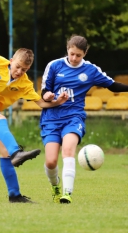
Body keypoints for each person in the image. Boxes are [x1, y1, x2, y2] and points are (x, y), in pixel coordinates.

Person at [0, 40, 69, 203]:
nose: (19, 71)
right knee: (0, 118)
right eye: (17, 66)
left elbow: (41, 103)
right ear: (11, 61)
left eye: (24, 69)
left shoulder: (25, 84)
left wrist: (59, 102)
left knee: (4, 152)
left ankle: (15, 195)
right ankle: (16, 152)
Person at [40, 34, 128, 204]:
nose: (74, 58)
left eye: (78, 55)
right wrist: (48, 95)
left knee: (67, 150)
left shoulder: (91, 70)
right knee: (51, 162)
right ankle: (56, 186)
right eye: (72, 54)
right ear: (67, 49)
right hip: (51, 118)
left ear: (85, 53)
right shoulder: (54, 66)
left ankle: (67, 193)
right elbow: (44, 91)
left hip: (74, 117)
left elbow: (112, 85)